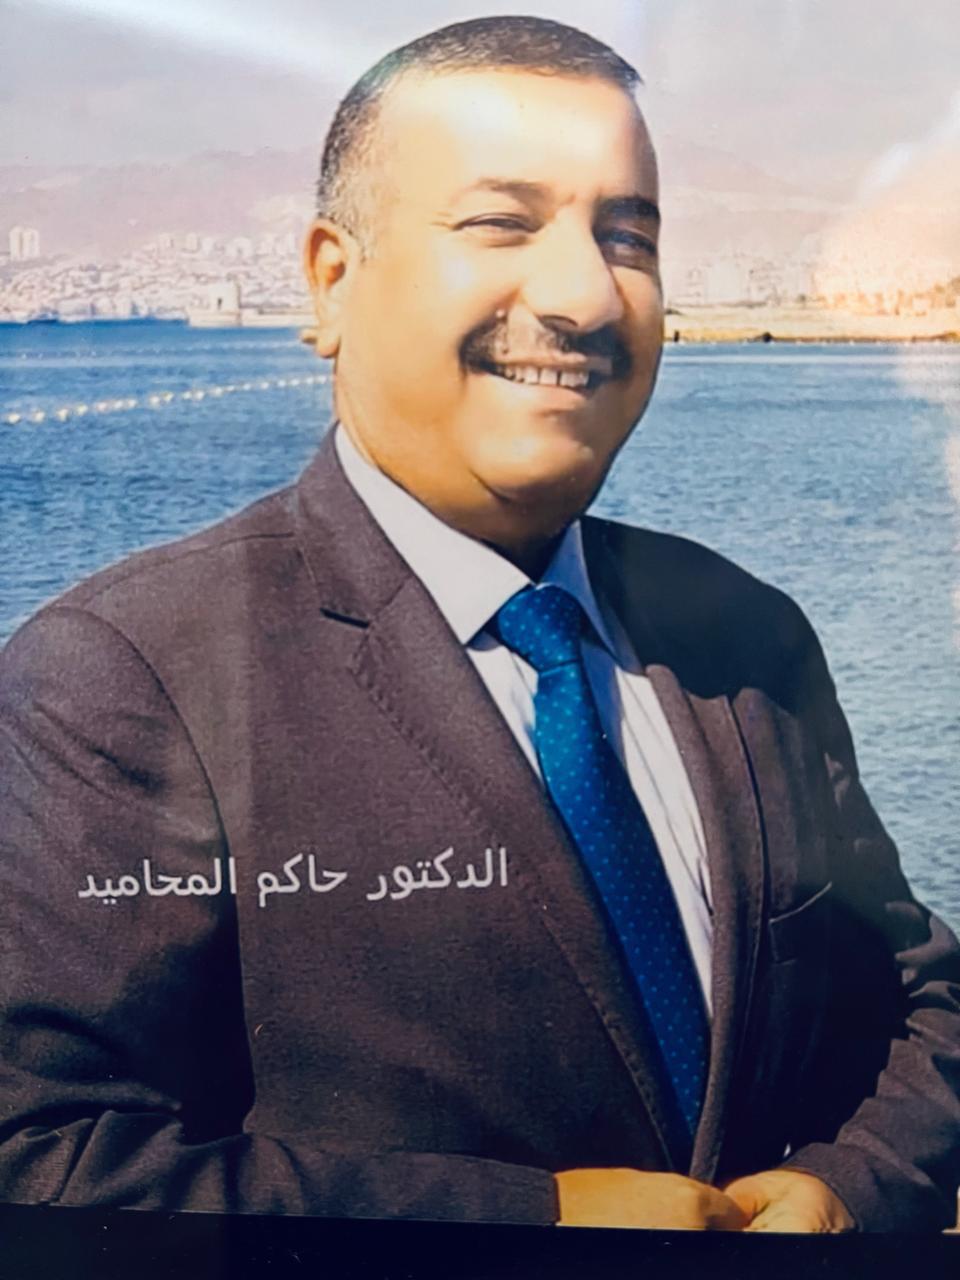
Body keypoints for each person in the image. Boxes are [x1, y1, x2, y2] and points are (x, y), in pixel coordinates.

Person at [1, 15, 959, 1235]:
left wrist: (853, 1188)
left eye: (628, 235)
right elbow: (48, 1156)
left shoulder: (746, 638)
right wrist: (535, 1223)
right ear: (332, 281)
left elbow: (920, 1002)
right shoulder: (124, 681)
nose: (585, 291)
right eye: (503, 223)